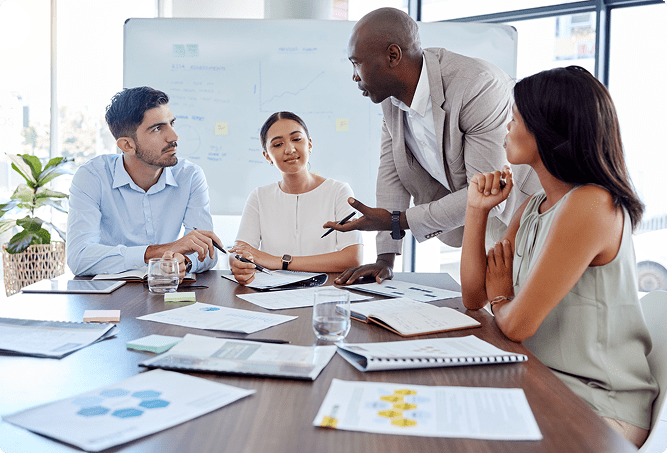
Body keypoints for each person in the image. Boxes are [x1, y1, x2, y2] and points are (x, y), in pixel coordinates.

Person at [460, 66, 658, 447]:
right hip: (541, 380)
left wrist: (502, 297)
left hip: (597, 405)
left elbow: (516, 325)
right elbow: (473, 297)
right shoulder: (534, 206)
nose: (506, 127)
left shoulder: (590, 204)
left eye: (514, 118)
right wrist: (476, 210)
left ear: (547, 130)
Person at [324, 7, 541, 285]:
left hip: (528, 217)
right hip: (478, 229)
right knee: (491, 310)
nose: (354, 76)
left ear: (393, 55)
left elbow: (488, 191)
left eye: (357, 63)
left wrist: (398, 221)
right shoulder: (392, 102)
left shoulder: (477, 87)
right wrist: (384, 260)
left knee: (523, 317)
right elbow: (391, 176)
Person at [66, 86, 220, 281]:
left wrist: (183, 262)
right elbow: (80, 258)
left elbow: (206, 250)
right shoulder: (92, 176)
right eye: (157, 129)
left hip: (170, 291)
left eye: (171, 123)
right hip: (108, 299)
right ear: (127, 145)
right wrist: (158, 253)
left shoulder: (189, 176)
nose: (174, 137)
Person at [229, 111, 363, 285]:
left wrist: (279, 261)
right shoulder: (259, 196)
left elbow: (353, 258)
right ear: (267, 156)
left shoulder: (339, 191)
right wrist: (238, 264)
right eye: (277, 144)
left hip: (324, 292)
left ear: (310, 144)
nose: (289, 149)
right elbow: (239, 251)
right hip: (272, 294)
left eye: (297, 139)